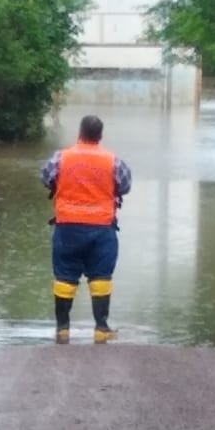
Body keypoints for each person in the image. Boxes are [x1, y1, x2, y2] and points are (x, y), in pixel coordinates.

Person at [40, 114, 132, 344]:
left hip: (67, 226)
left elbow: (45, 177)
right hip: (102, 228)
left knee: (64, 277)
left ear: (79, 133)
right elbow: (125, 185)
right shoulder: (113, 161)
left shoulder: (61, 158)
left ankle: (62, 329)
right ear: (100, 135)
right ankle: (101, 328)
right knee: (100, 277)